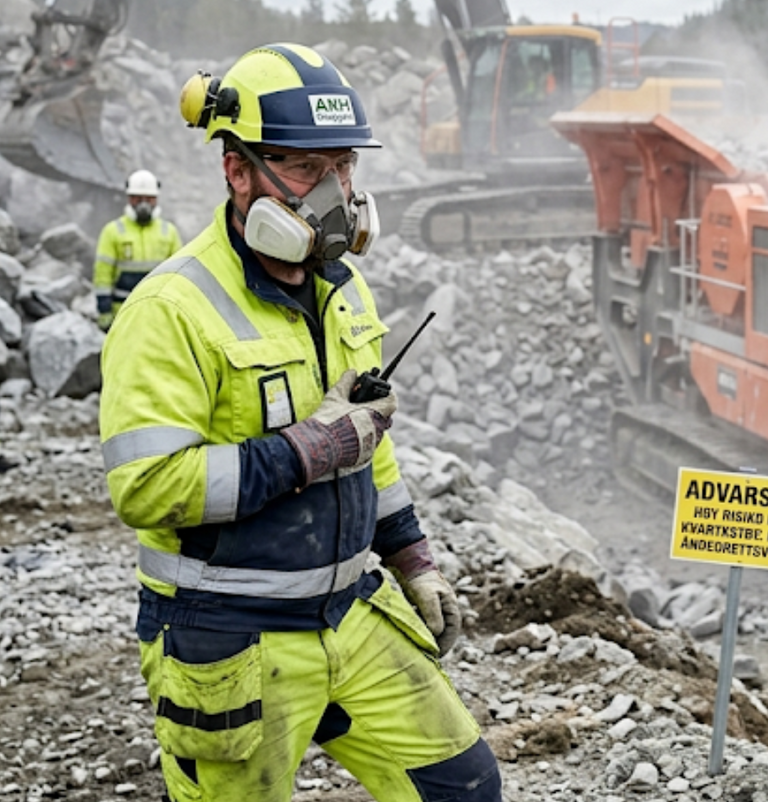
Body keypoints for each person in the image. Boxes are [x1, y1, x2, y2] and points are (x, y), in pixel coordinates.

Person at [99, 43, 500, 802]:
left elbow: (367, 445)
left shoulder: (344, 290)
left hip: (348, 612)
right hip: (229, 633)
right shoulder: (170, 310)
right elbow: (146, 486)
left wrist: (412, 556)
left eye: (343, 167)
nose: (333, 192)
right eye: (306, 168)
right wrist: (306, 450)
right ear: (237, 171)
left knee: (465, 785)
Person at [92, 169, 182, 330]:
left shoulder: (169, 232)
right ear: (129, 198)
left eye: (149, 198)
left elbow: (180, 275)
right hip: (122, 314)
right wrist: (104, 310)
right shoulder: (112, 231)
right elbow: (102, 274)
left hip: (159, 314)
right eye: (137, 198)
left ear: (156, 199)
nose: (143, 204)